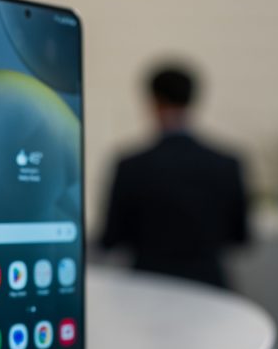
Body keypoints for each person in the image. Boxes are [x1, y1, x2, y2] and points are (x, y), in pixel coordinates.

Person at [100, 63, 249, 288]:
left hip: (148, 284)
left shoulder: (131, 166)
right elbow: (240, 237)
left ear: (153, 101)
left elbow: (111, 238)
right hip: (209, 286)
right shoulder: (227, 164)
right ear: (192, 100)